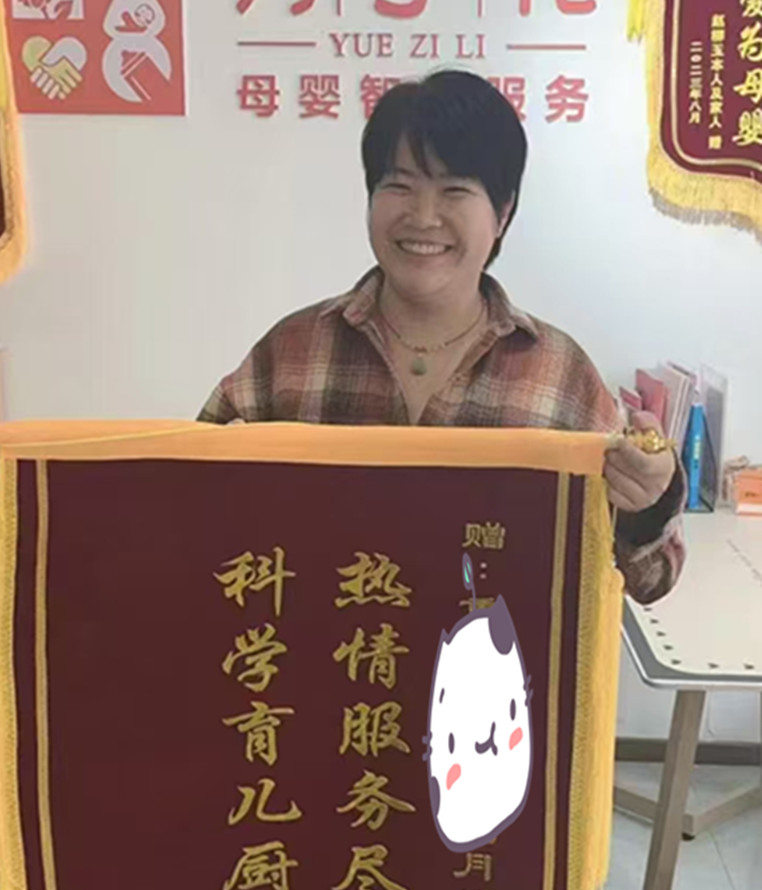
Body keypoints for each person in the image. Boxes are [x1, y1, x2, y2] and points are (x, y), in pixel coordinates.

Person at [198, 70, 685, 605]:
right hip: (325, 655)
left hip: (493, 658)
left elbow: (651, 579)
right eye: (399, 186)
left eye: (454, 190)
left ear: (502, 213)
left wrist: (646, 501)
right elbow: (185, 512)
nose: (423, 216)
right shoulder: (291, 353)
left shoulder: (559, 375)